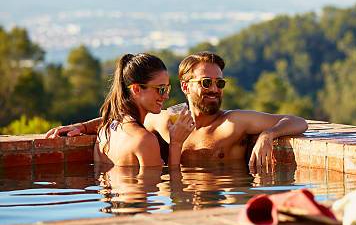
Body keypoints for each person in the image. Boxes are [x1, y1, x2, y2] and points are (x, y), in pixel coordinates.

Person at [46, 52, 308, 172]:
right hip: (176, 207)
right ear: (185, 86)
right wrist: (82, 127)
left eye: (220, 83)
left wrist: (268, 135)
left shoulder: (233, 122)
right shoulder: (165, 119)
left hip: (220, 206)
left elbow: (297, 122)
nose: (215, 89)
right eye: (206, 82)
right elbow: (124, 120)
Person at [92, 53, 194, 167]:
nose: (166, 96)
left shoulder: (105, 130)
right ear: (136, 89)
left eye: (167, 89)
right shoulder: (144, 140)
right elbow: (172, 184)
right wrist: (176, 144)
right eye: (161, 89)